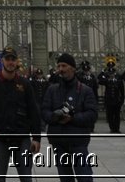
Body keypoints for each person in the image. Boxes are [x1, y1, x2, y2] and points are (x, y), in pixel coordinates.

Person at [0, 47, 41, 181]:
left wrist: (36, 137)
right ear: (2, 61)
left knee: (26, 177)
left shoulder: (24, 84)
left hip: (21, 138)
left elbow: (33, 111)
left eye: (13, 59)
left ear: (17, 62)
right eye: (7, 59)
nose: (10, 62)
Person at [41, 53, 97, 181]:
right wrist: (54, 116)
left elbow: (92, 114)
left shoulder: (85, 90)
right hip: (59, 141)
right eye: (59, 66)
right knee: (65, 178)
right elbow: (44, 111)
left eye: (64, 66)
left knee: (84, 177)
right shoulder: (52, 90)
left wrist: (73, 118)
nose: (61, 69)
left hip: (78, 141)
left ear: (72, 68)